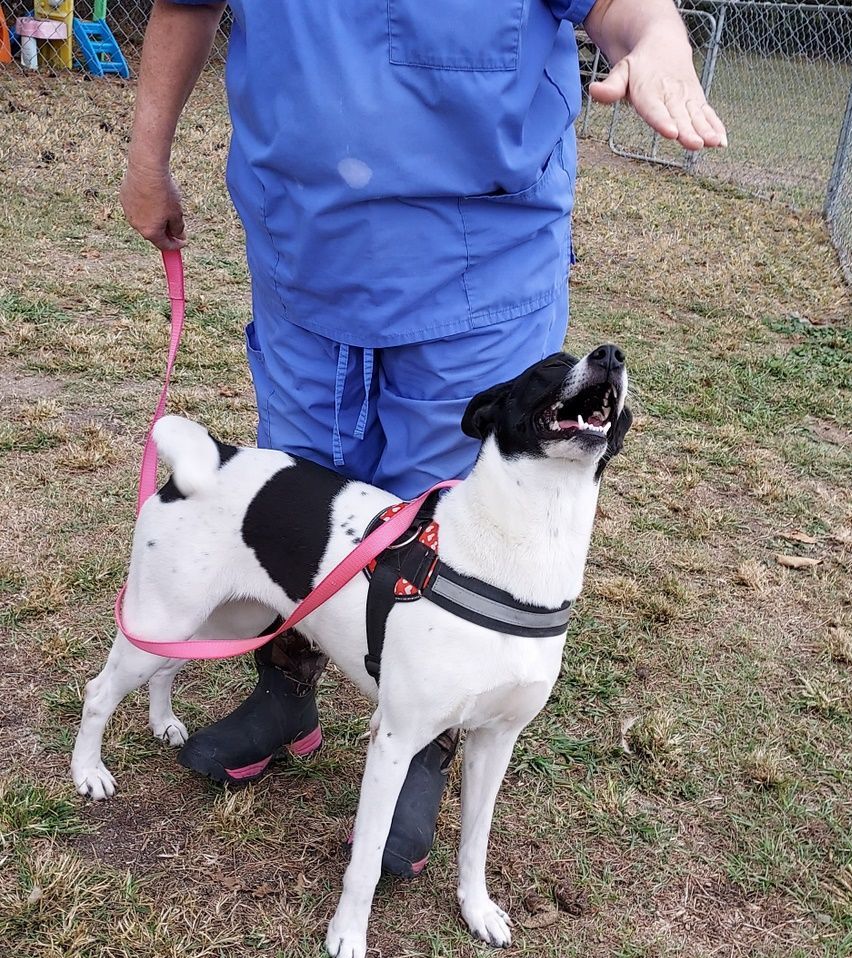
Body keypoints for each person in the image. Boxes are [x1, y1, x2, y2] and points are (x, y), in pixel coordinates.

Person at [121, 0, 726, 878]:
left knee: (443, 526)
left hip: (475, 262)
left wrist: (659, 35)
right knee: (300, 504)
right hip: (306, 248)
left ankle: (429, 742)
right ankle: (286, 693)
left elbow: (617, 6)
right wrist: (148, 159)